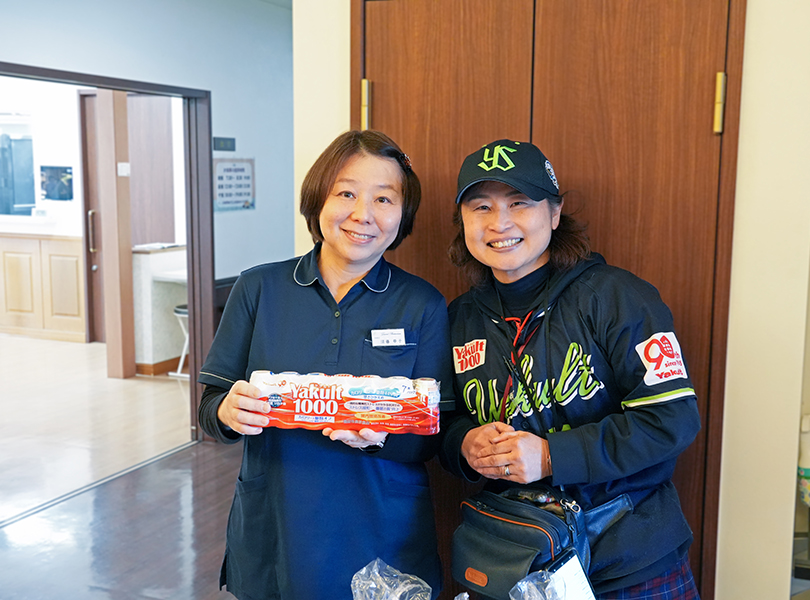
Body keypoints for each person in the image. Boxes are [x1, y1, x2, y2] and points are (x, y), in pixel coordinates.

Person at [440, 139, 702, 598]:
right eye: (481, 207)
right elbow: (441, 422)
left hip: (629, 563)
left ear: (555, 213)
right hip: (519, 562)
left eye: (519, 203)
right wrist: (464, 443)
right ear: (463, 222)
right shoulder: (460, 317)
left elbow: (671, 420)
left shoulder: (617, 297)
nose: (499, 223)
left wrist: (549, 456)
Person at [198, 130, 453, 599]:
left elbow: (436, 432)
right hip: (278, 523)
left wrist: (382, 439)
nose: (363, 214)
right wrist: (227, 412)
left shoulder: (423, 304)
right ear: (318, 199)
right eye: (347, 193)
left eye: (384, 199)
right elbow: (210, 409)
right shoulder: (258, 289)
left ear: (403, 214)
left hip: (383, 530)